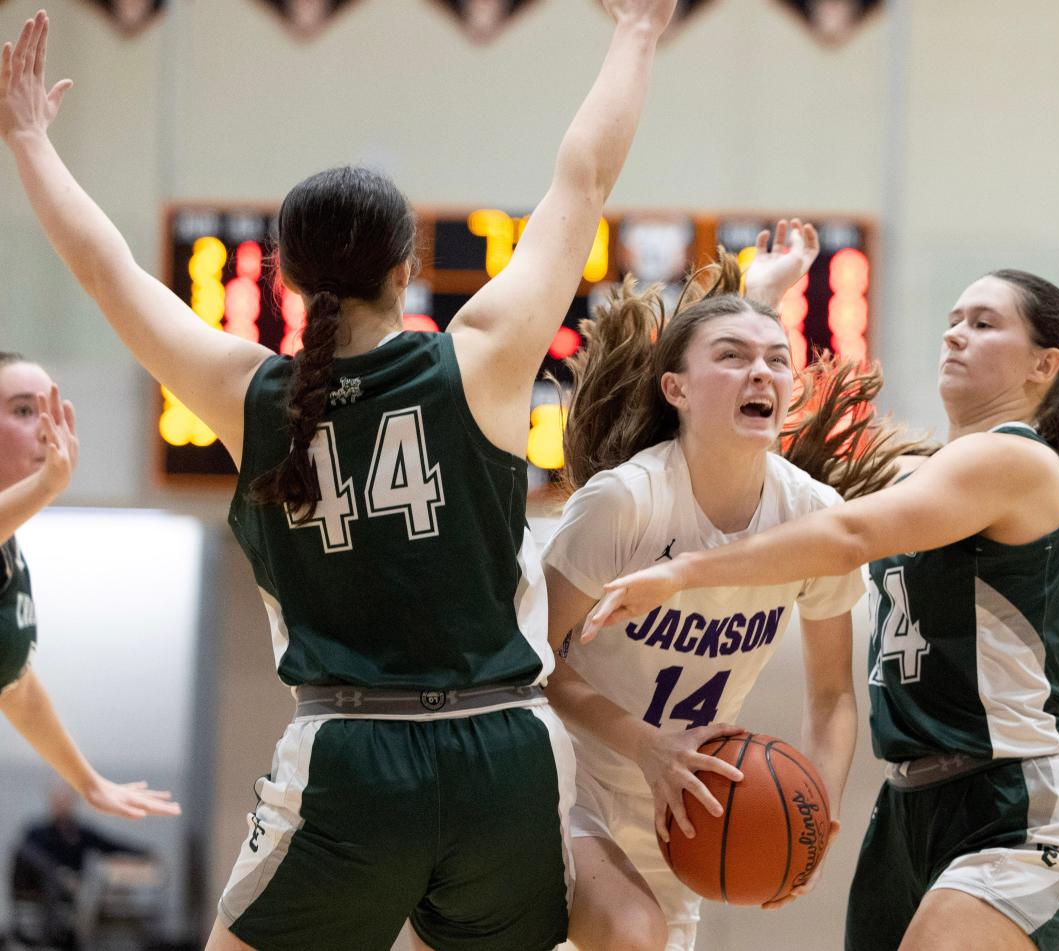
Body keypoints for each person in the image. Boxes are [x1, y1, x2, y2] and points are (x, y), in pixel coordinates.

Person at [1, 3, 675, 949]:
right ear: (407, 267)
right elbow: (584, 176)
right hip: (504, 750)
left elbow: (109, 272)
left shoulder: (246, 392)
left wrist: (28, 141)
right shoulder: (479, 357)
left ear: (284, 277)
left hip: (352, 755)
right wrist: (635, 34)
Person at [584, 269, 1059, 951]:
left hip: (1011, 800)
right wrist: (759, 309)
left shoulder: (1017, 461)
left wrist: (682, 572)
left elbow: (843, 536)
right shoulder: (920, 474)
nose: (955, 331)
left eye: (983, 322)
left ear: (1045, 363)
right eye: (954, 316)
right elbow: (758, 475)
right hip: (908, 803)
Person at [542, 226, 920, 951]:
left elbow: (834, 698)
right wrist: (646, 747)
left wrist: (818, 812)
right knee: (631, 931)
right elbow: (529, 664)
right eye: (735, 357)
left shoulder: (812, 515)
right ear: (675, 389)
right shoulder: (627, 503)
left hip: (693, 803)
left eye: (779, 360)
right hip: (570, 778)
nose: (763, 373)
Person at [0, 351, 182, 822]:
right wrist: (45, 487)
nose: (46, 429)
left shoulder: (11, 548)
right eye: (23, 410)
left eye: (50, 412)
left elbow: (15, 686)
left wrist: (87, 780)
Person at [10, 784, 154, 951]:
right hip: (38, 884)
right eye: (58, 800)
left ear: (72, 803)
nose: (61, 804)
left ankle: (56, 930)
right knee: (26, 851)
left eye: (64, 800)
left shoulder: (80, 832)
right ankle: (58, 877)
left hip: (67, 890)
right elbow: (25, 855)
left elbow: (110, 844)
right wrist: (57, 874)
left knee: (39, 863)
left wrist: (145, 852)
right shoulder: (37, 831)